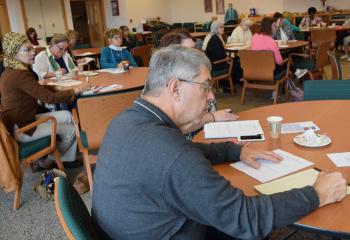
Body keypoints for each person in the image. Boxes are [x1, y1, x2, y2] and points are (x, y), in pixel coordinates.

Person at [92, 45, 347, 239]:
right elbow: (246, 218)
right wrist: (316, 193)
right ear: (175, 88)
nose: (211, 96)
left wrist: (235, 151)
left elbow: (180, 153)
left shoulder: (127, 121)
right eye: (205, 86)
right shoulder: (173, 155)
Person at [0, 32, 90, 169]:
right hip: (23, 128)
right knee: (72, 129)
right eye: (27, 49)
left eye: (32, 48)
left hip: (22, 120)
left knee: (68, 115)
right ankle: (47, 162)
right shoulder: (19, 75)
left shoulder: (12, 69)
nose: (33, 52)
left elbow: (36, 89)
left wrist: (54, 88)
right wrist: (77, 90)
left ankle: (63, 158)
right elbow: (49, 99)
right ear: (14, 53)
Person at [159, 29, 237, 126]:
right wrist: (211, 117)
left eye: (195, 48)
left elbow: (211, 106)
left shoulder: (197, 76)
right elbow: (174, 127)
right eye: (189, 51)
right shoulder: (160, 88)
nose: (196, 54)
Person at [202, 21, 233, 92]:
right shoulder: (215, 40)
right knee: (234, 63)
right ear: (216, 29)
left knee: (232, 61)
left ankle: (226, 85)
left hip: (212, 64)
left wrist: (226, 57)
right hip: (215, 67)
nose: (223, 29)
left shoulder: (214, 38)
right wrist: (227, 57)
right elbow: (220, 56)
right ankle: (227, 86)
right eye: (221, 28)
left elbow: (220, 55)